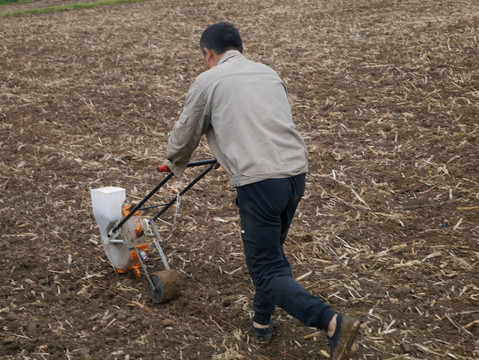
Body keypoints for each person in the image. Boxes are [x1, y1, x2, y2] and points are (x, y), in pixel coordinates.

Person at [163, 22, 360, 359]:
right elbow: (259, 122)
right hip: (295, 173)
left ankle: (331, 322)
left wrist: (173, 162)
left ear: (208, 53)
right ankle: (262, 321)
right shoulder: (268, 73)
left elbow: (187, 131)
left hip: (259, 182)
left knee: (266, 270)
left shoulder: (209, 79)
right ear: (239, 48)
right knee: (272, 254)